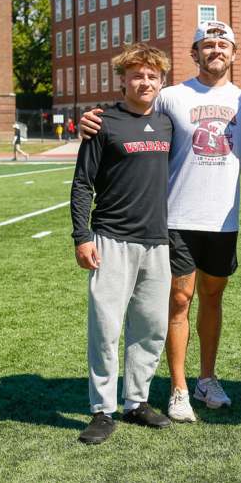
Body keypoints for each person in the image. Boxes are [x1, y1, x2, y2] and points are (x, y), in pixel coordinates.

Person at [79, 21, 241, 423]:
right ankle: (178, 389)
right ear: (194, 53)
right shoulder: (171, 95)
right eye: (207, 44)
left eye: (222, 44)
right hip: (174, 218)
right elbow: (132, 111)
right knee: (178, 301)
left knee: (213, 299)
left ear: (234, 53)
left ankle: (206, 379)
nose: (215, 50)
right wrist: (92, 118)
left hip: (223, 218)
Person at [70, 43, 174, 444]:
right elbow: (82, 184)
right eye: (136, 75)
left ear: (161, 81)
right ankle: (102, 409)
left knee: (151, 327)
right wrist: (82, 237)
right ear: (123, 80)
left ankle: (137, 401)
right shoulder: (103, 123)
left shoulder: (167, 123)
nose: (144, 81)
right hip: (111, 239)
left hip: (157, 241)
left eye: (151, 75)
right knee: (106, 328)